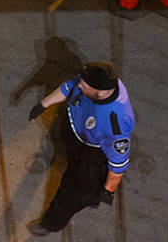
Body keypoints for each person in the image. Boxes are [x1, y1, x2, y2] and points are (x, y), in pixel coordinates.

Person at [26, 61, 135, 235]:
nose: (79, 84)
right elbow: (67, 87)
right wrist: (44, 104)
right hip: (77, 138)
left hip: (91, 155)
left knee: (71, 192)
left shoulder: (116, 123)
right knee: (81, 182)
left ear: (101, 93)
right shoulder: (92, 83)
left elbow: (118, 164)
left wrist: (108, 191)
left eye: (84, 85)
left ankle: (51, 223)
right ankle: (90, 194)